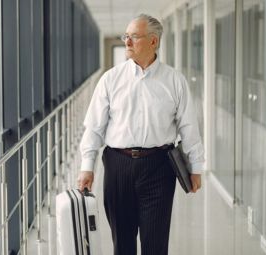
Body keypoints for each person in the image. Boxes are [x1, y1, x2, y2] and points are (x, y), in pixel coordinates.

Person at [77, 14, 205, 255]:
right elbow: (94, 127)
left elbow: (189, 127)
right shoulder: (110, 79)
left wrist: (195, 167)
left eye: (134, 37)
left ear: (153, 41)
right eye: (126, 36)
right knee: (122, 243)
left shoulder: (174, 81)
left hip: (160, 167)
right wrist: (87, 166)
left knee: (155, 244)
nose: (127, 42)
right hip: (118, 166)